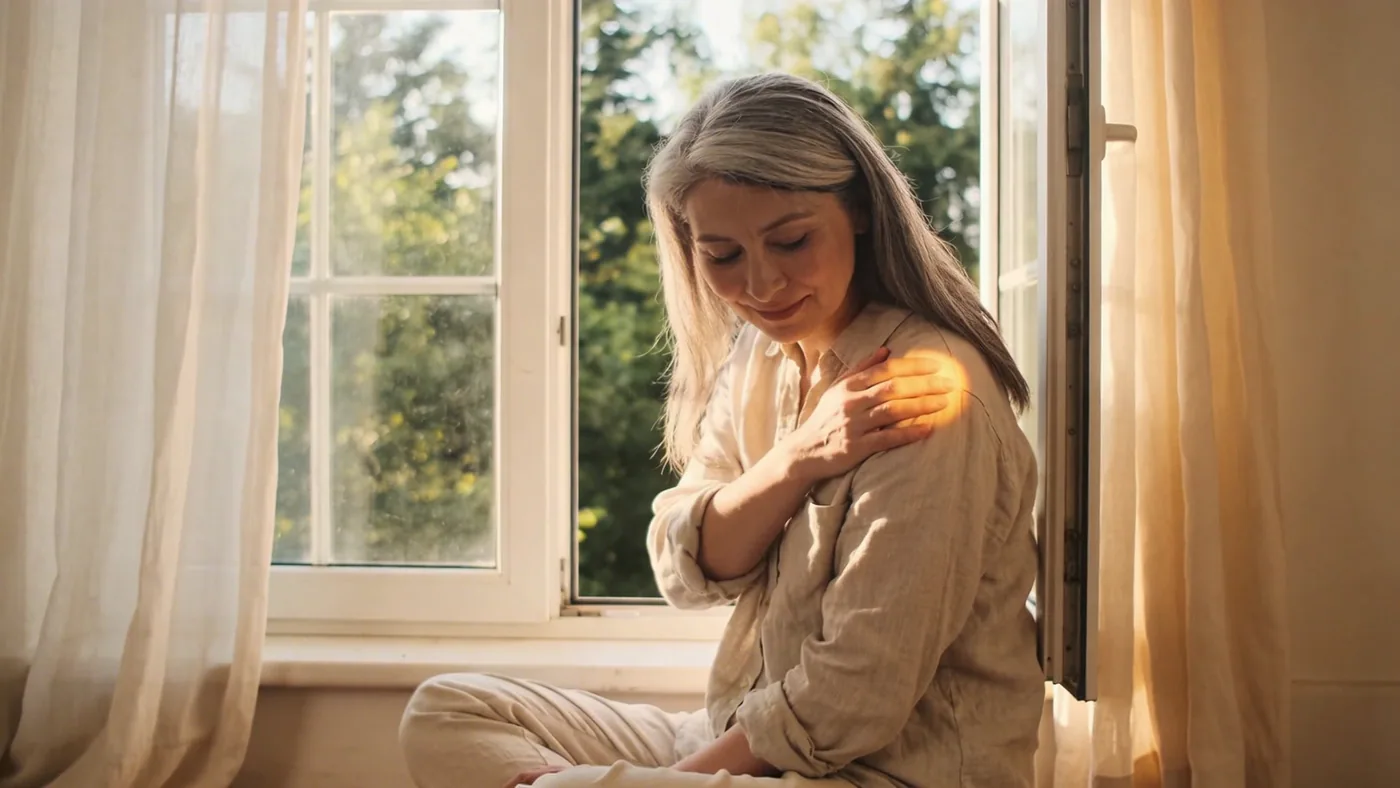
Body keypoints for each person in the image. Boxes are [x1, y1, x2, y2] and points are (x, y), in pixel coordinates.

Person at [399, 73, 1044, 788]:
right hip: (739, 735)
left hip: (879, 772)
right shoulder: (761, 352)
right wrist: (798, 457)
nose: (762, 287)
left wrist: (669, 778)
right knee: (448, 710)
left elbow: (850, 697)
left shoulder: (921, 390)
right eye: (724, 256)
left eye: (792, 241)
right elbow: (687, 558)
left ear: (859, 209)